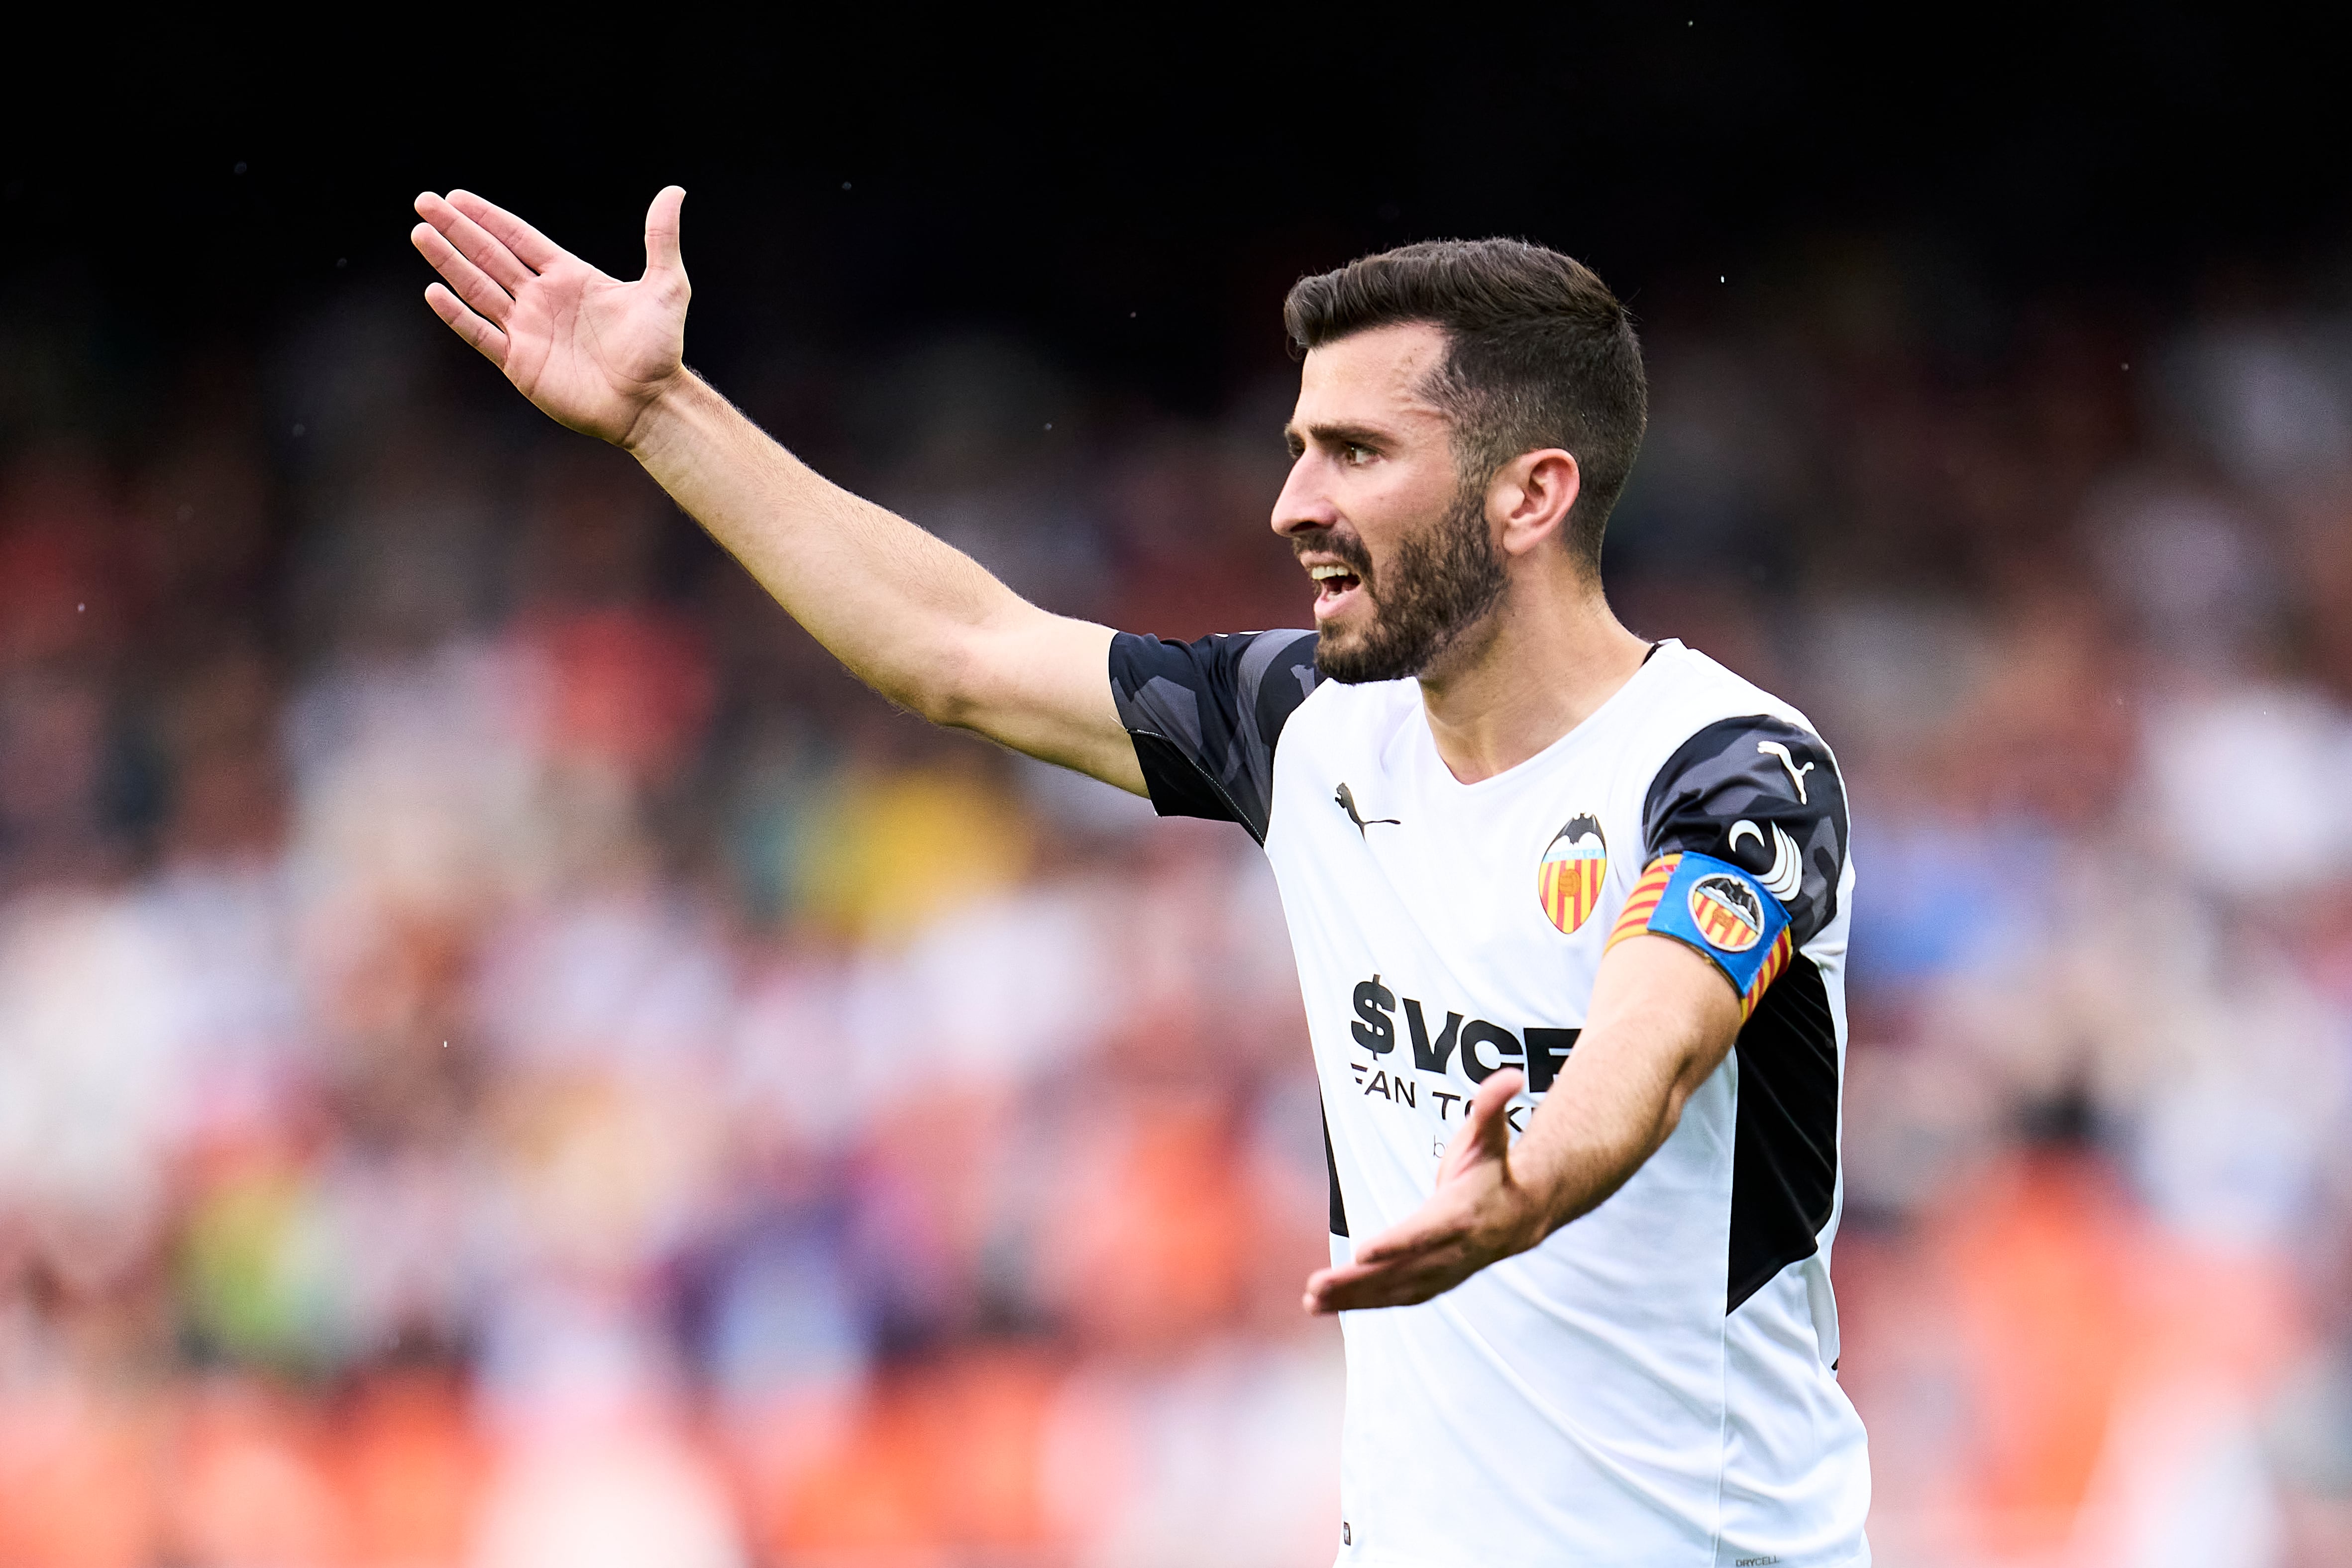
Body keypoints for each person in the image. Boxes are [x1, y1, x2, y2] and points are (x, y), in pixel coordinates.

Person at [411, 187, 1869, 1567]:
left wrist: (1532, 1183)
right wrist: (663, 414)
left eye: (1355, 454)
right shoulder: (1310, 729)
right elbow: (961, 651)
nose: (1294, 503)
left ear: (1530, 494)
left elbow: (1654, 1045)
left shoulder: (1732, 768)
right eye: (1299, 448)